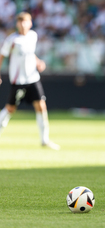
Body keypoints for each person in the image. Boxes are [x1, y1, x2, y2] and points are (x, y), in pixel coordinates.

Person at [0, 12, 60, 150]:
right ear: (16, 24)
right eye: (19, 22)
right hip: (19, 80)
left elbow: (30, 53)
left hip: (32, 78)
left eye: (25, 21)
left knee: (41, 106)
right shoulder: (12, 40)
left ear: (30, 23)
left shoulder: (33, 36)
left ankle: (45, 140)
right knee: (10, 109)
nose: (22, 24)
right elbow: (2, 55)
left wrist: (38, 62)